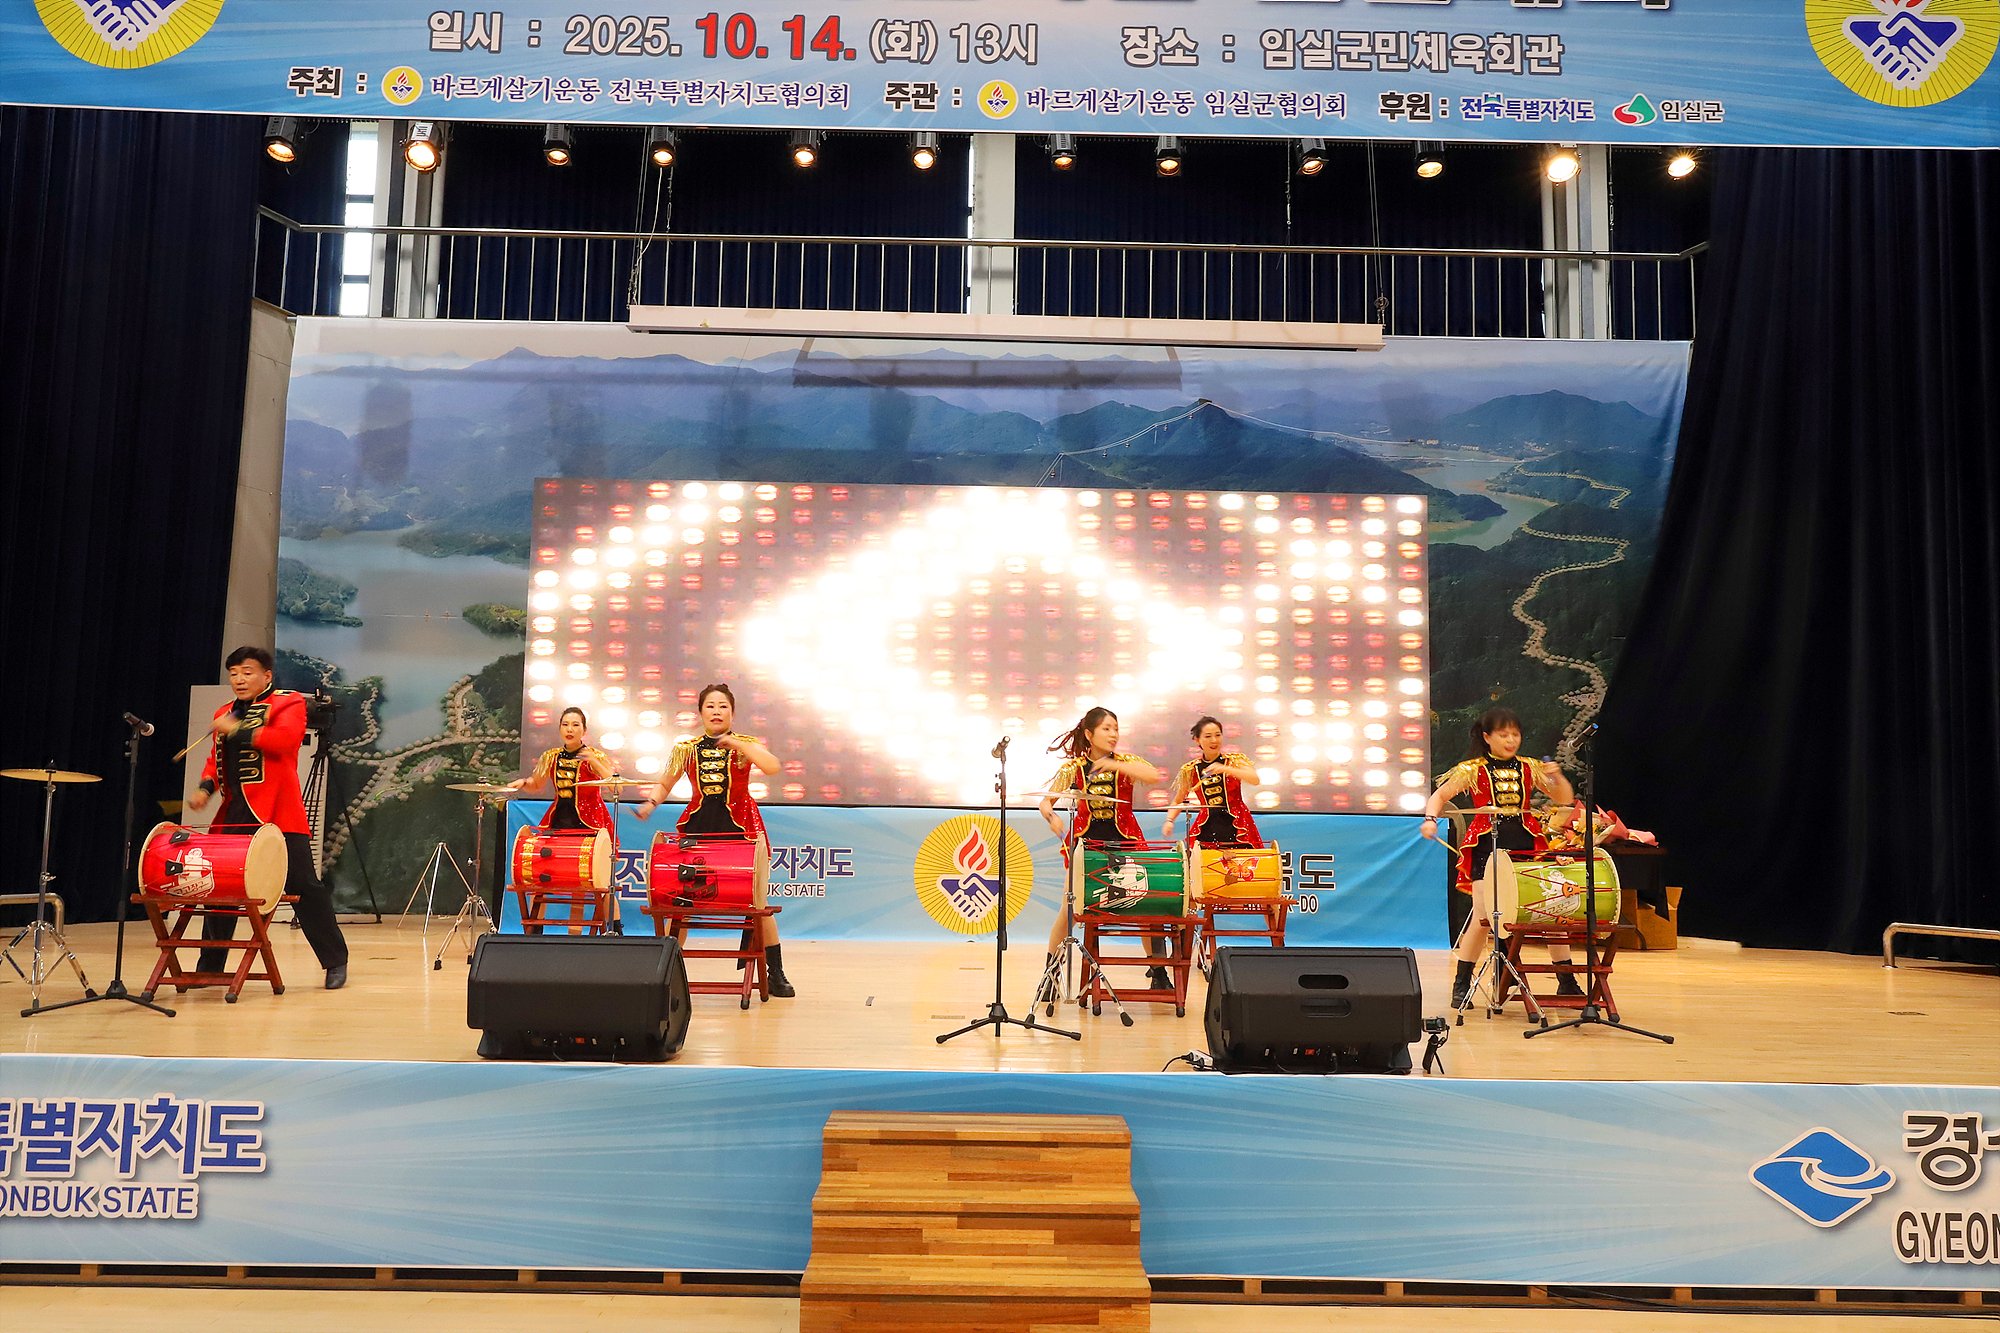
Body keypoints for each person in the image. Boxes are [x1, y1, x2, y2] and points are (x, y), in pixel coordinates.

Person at [190, 647, 350, 989]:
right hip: (234, 814)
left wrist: (236, 729)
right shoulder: (224, 712)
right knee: (221, 887)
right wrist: (205, 789)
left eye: (247, 672)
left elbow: (284, 742)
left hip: (278, 812)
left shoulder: (287, 703)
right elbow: (215, 761)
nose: (239, 679)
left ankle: (335, 960)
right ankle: (211, 965)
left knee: (303, 885)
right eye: (234, 673)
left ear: (267, 676)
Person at [636, 683, 795, 998]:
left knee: (757, 902)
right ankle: (666, 974)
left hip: (740, 829)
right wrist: (650, 804)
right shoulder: (686, 748)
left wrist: (736, 743)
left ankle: (775, 973)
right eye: (710, 706)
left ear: (732, 713)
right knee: (680, 902)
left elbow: (772, 766)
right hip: (699, 829)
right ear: (700, 713)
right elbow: (665, 783)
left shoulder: (746, 745)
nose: (717, 711)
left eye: (723, 706)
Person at [1422, 706, 1579, 1008]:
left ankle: (1566, 979)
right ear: (1487, 737)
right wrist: (1430, 819)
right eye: (1504, 735)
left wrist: (1557, 777)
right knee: (1484, 918)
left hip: (1527, 846)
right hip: (1487, 846)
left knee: (1550, 912)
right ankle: (1462, 983)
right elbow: (1440, 796)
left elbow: (1564, 799)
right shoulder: (1473, 769)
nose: (1511, 740)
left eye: (1515, 734)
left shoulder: (1530, 767)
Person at [1036, 707, 1164, 995]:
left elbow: (1153, 776)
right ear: (1089, 734)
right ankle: (1051, 976)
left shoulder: (1127, 762)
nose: (1113, 734)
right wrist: (1052, 817)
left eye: (1115, 728)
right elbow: (1045, 802)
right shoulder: (1074, 768)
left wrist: (1114, 765)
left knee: (1148, 907)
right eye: (1106, 728)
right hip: (1087, 846)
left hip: (1127, 842)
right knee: (1068, 909)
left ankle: (1158, 970)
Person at [508, 706, 621, 932]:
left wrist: (593, 761)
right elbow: (537, 784)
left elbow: (614, 785)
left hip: (590, 824)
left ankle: (614, 929)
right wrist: (524, 783)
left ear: (584, 730)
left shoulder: (595, 755)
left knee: (598, 881)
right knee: (541, 874)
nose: (570, 729)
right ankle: (535, 929)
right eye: (565, 724)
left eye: (575, 725)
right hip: (559, 822)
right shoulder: (551, 756)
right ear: (560, 728)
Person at [1161, 715, 1263, 848]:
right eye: (1208, 736)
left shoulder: (1235, 761)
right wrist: (1169, 821)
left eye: (1218, 735)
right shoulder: (1191, 769)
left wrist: (1225, 769)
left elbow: (1254, 779)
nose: (1214, 740)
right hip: (1207, 826)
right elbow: (1178, 800)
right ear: (1197, 740)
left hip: (1238, 824)